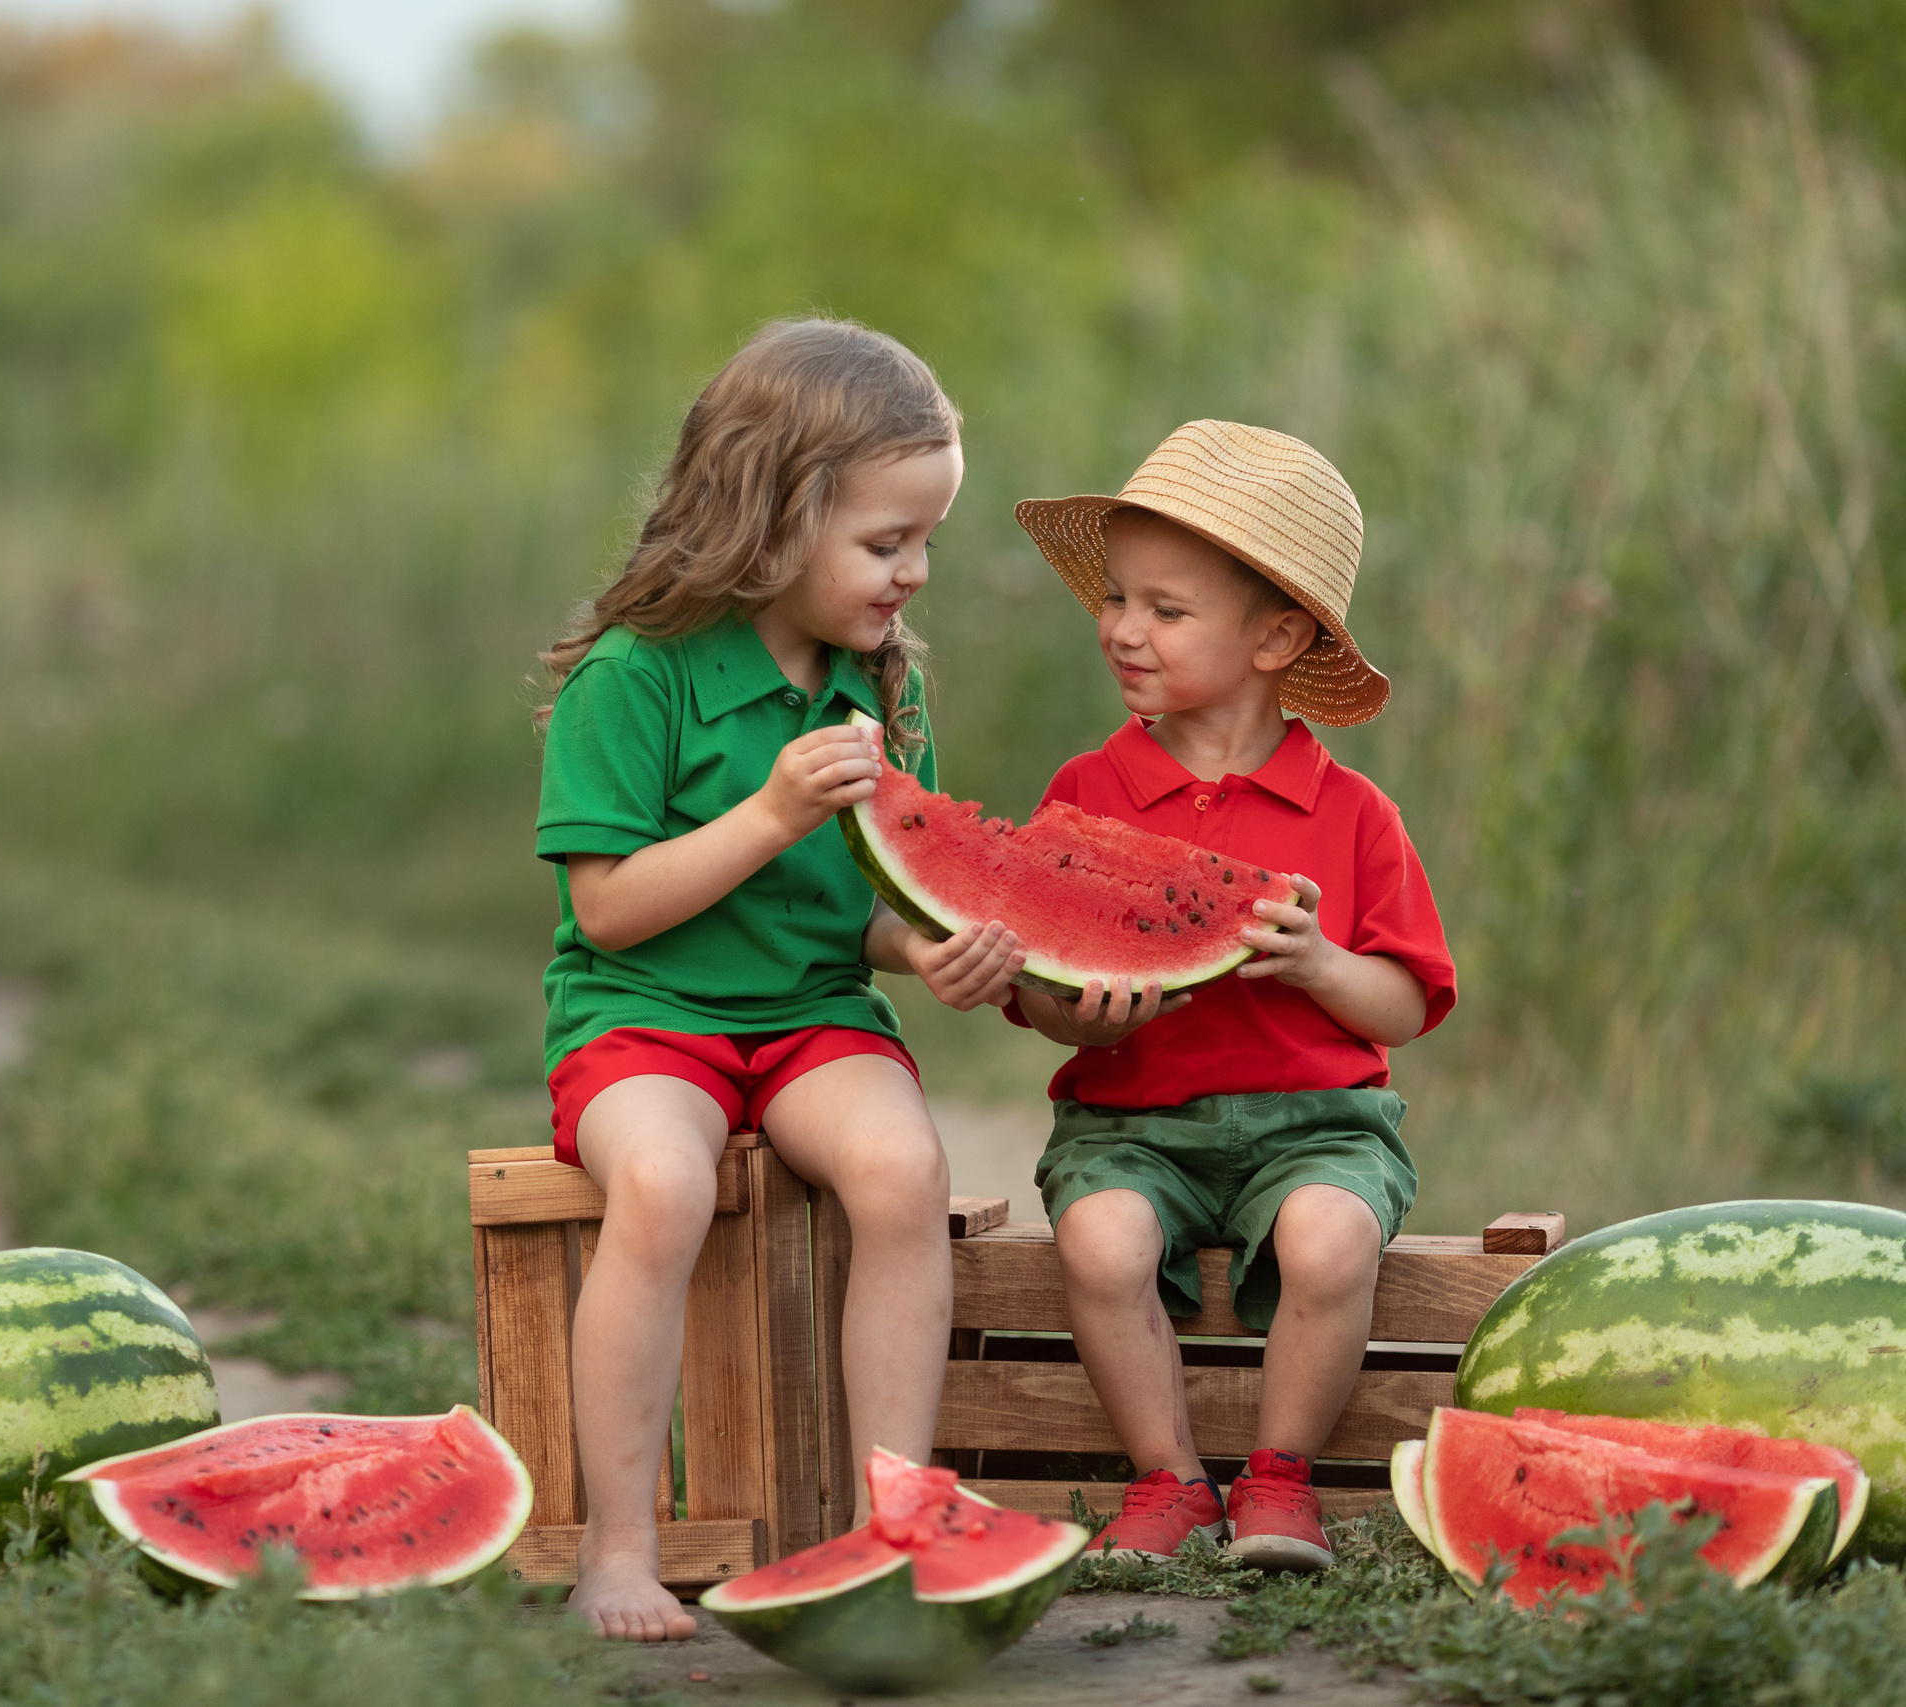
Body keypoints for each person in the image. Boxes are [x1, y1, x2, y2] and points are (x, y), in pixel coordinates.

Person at [534, 319, 1028, 1641]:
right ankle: (619, 1548)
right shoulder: (633, 676)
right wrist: (767, 813)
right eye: (885, 542)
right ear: (772, 516)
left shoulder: (882, 688)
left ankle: (893, 1521)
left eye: (927, 542)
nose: (914, 573)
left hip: (813, 1015)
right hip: (644, 1019)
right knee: (662, 1181)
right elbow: (607, 911)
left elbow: (868, 908)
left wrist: (926, 948)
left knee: (903, 1170)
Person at [1000, 420, 1457, 1572]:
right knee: (1099, 1242)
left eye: (1165, 609)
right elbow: (1036, 991)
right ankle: (1166, 1480)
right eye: (1115, 598)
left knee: (1329, 1238)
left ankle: (1279, 1480)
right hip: (1127, 1122)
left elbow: (1402, 1008)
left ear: (1276, 637)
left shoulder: (1354, 814)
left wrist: (1317, 962)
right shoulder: (1085, 792)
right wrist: (1073, 1011)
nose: (1121, 629)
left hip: (1317, 1126)